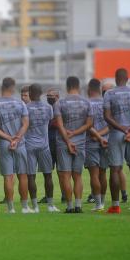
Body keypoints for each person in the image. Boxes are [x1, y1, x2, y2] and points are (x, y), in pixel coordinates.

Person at [103, 68, 130, 214]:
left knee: (115, 170)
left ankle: (115, 206)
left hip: (116, 134)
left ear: (116, 78)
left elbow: (107, 116)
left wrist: (123, 129)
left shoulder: (109, 93)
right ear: (127, 78)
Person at [0, 77, 33, 213]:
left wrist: (8, 138)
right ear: (13, 88)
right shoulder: (21, 104)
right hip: (19, 144)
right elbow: (26, 123)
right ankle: (25, 207)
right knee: (23, 175)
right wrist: (17, 138)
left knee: (8, 176)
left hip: (4, 143)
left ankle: (11, 208)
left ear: (2, 87)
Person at [54, 76, 92, 213]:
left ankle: (69, 206)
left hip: (63, 143)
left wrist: (68, 140)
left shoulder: (59, 103)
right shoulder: (87, 103)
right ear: (78, 86)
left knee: (65, 176)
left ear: (67, 86)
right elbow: (89, 124)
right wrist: (76, 133)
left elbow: (59, 124)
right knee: (78, 176)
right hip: (81, 143)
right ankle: (78, 205)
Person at [26, 84, 59, 213]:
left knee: (31, 176)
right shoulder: (48, 108)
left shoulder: (26, 107)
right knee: (48, 175)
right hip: (44, 145)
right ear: (41, 93)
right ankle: (51, 205)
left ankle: (35, 207)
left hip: (29, 145)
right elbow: (50, 122)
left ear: (30, 93)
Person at [85, 79, 109, 212]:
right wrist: (102, 136)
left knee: (94, 174)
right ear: (99, 89)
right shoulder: (106, 102)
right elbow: (110, 124)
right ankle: (104, 201)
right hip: (106, 141)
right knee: (103, 173)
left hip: (91, 141)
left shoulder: (86, 103)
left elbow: (87, 124)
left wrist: (96, 136)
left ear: (89, 89)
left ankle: (98, 203)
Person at [102, 82, 128, 203]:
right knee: (100, 169)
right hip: (102, 139)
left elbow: (111, 124)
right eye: (103, 91)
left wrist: (99, 134)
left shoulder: (114, 105)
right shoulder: (104, 103)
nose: (104, 93)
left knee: (117, 168)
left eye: (106, 91)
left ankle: (123, 194)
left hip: (112, 138)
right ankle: (96, 195)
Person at [38, 88, 65, 204]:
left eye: (51, 96)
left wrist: (51, 122)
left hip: (59, 142)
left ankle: (65, 195)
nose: (49, 98)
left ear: (57, 96)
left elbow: (57, 123)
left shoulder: (61, 108)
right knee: (47, 172)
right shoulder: (47, 109)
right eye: (47, 96)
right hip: (48, 143)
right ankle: (48, 196)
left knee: (61, 171)